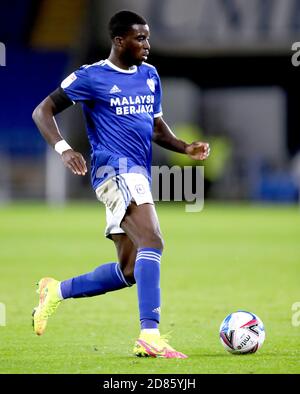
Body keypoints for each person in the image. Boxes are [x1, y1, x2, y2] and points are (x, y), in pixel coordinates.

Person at [32, 10, 210, 359]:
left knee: (130, 270)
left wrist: (185, 147)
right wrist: (64, 148)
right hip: (112, 171)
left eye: (147, 37)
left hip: (138, 173)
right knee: (153, 240)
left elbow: (156, 127)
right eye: (140, 38)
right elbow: (43, 110)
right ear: (119, 41)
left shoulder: (149, 75)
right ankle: (150, 335)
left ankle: (56, 291)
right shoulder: (92, 76)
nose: (147, 44)